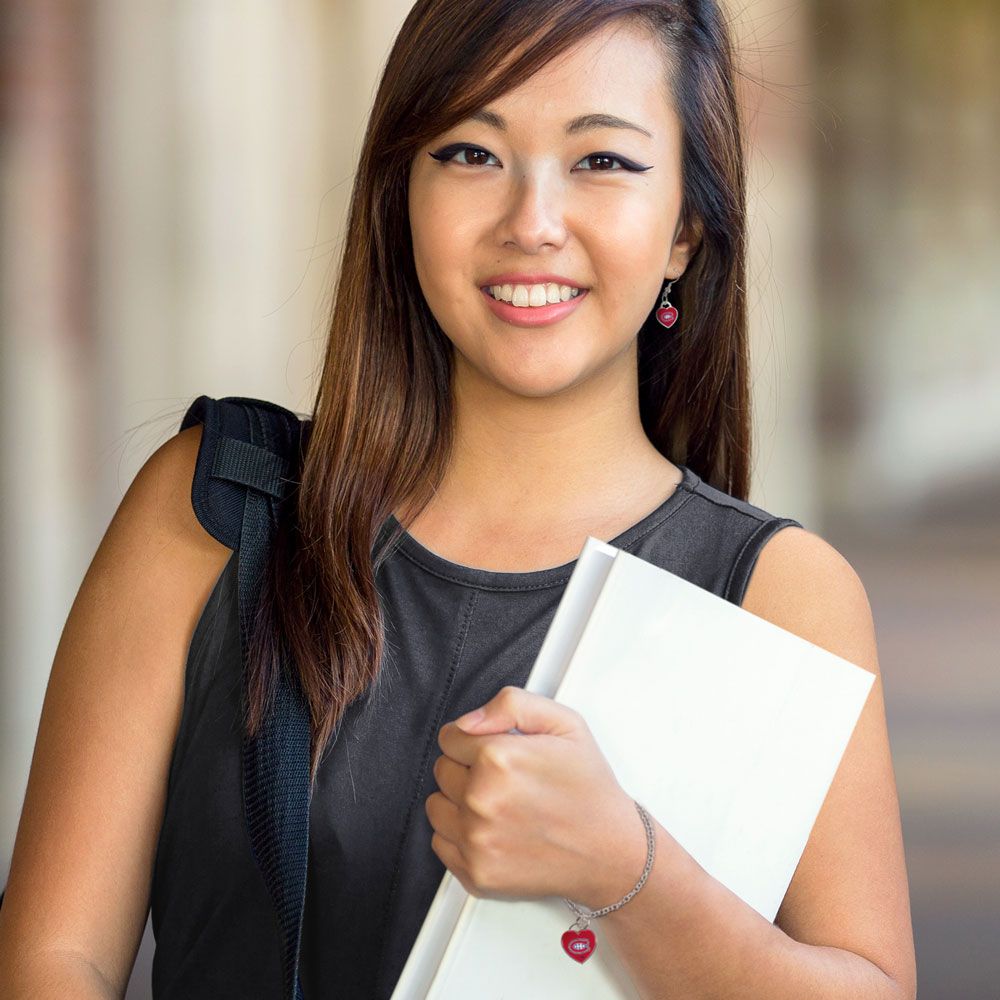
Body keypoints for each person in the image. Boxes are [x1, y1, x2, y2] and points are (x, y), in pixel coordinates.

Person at [0, 1, 917, 998]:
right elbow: (54, 955)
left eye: (601, 161)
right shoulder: (215, 511)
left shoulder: (776, 594)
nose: (532, 222)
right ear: (402, 191)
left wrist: (624, 870)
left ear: (685, 232)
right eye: (472, 153)